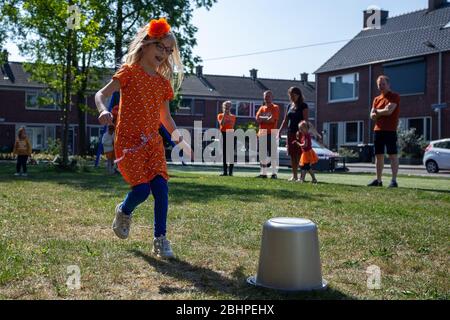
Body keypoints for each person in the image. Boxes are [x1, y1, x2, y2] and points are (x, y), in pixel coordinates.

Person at [95, 17, 190, 259]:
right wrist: (103, 110)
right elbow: (101, 94)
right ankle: (124, 210)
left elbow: (166, 119)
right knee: (141, 190)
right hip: (128, 143)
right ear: (147, 43)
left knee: (161, 188)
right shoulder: (128, 73)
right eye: (161, 47)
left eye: (169, 51)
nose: (165, 53)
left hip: (153, 143)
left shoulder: (162, 84)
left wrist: (181, 140)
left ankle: (160, 239)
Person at [368, 75, 400, 188]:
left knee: (392, 155)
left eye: (383, 84)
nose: (381, 86)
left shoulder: (394, 96)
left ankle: (394, 181)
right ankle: (378, 180)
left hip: (390, 130)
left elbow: (389, 111)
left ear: (388, 84)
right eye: (379, 84)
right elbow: (372, 116)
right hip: (378, 131)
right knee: (379, 156)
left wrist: (377, 112)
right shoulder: (376, 99)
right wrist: (379, 112)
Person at [278, 87, 309, 181]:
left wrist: (302, 132)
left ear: (298, 95)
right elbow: (285, 120)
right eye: (290, 95)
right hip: (290, 133)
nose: (291, 97)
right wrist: (280, 130)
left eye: (293, 95)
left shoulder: (304, 106)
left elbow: (305, 120)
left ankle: (301, 176)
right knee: (292, 154)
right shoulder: (289, 106)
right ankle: (294, 176)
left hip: (300, 133)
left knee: (299, 155)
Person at [255, 90, 279, 179]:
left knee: (272, 154)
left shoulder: (275, 107)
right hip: (262, 133)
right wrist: (266, 118)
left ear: (272, 97)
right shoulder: (261, 108)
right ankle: (263, 173)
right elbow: (257, 119)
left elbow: (272, 120)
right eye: (265, 96)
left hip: (271, 133)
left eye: (268, 96)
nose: (267, 98)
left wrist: (262, 118)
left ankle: (274, 173)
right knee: (262, 154)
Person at [217, 101, 236, 176]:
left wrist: (227, 118)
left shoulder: (233, 116)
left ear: (230, 107)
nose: (227, 108)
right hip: (223, 134)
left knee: (231, 154)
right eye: (226, 106)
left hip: (230, 134)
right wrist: (225, 114)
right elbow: (222, 124)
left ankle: (230, 172)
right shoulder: (220, 115)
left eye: (228, 106)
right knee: (224, 153)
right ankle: (225, 172)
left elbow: (231, 125)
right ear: (223, 107)